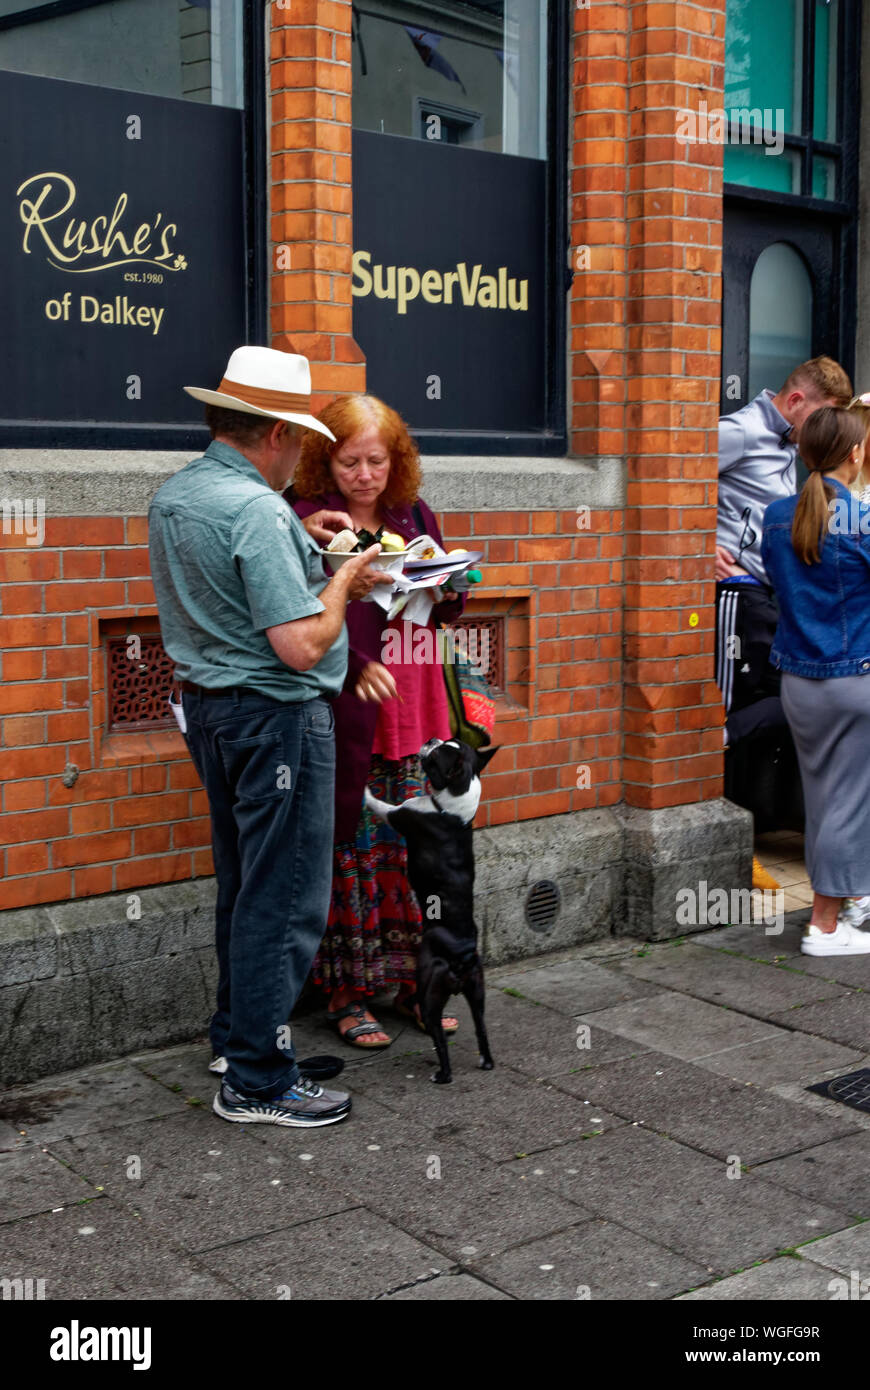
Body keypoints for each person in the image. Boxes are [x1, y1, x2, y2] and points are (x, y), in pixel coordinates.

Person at [148, 347, 395, 1126]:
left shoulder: (180, 494)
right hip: (277, 715)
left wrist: (303, 539)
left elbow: (231, 581)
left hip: (213, 711)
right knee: (284, 899)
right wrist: (346, 579)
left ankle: (241, 1039)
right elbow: (299, 644)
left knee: (245, 884)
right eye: (296, 438)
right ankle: (257, 1079)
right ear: (273, 437)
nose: (300, 453)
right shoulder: (255, 508)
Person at [290, 394, 468, 1047]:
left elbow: (450, 599)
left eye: (377, 461)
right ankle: (349, 992)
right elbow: (299, 616)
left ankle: (415, 986)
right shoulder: (305, 518)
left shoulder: (412, 513)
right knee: (354, 848)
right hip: (352, 701)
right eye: (349, 463)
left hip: (416, 698)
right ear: (324, 461)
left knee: (416, 854)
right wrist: (357, 655)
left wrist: (450, 586)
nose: (365, 476)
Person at [715, 357, 852, 871]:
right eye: (820, 417)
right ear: (797, 401)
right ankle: (712, 825)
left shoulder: (788, 444)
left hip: (765, 598)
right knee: (727, 710)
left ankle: (752, 821)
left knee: (778, 703)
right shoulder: (741, 431)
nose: (822, 431)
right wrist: (698, 544)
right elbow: (666, 474)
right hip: (735, 597)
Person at [761, 406, 870, 956]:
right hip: (855, 679)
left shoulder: (776, 516)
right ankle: (825, 927)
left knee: (829, 799)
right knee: (847, 802)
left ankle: (849, 902)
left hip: (801, 683)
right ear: (855, 454)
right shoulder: (861, 518)